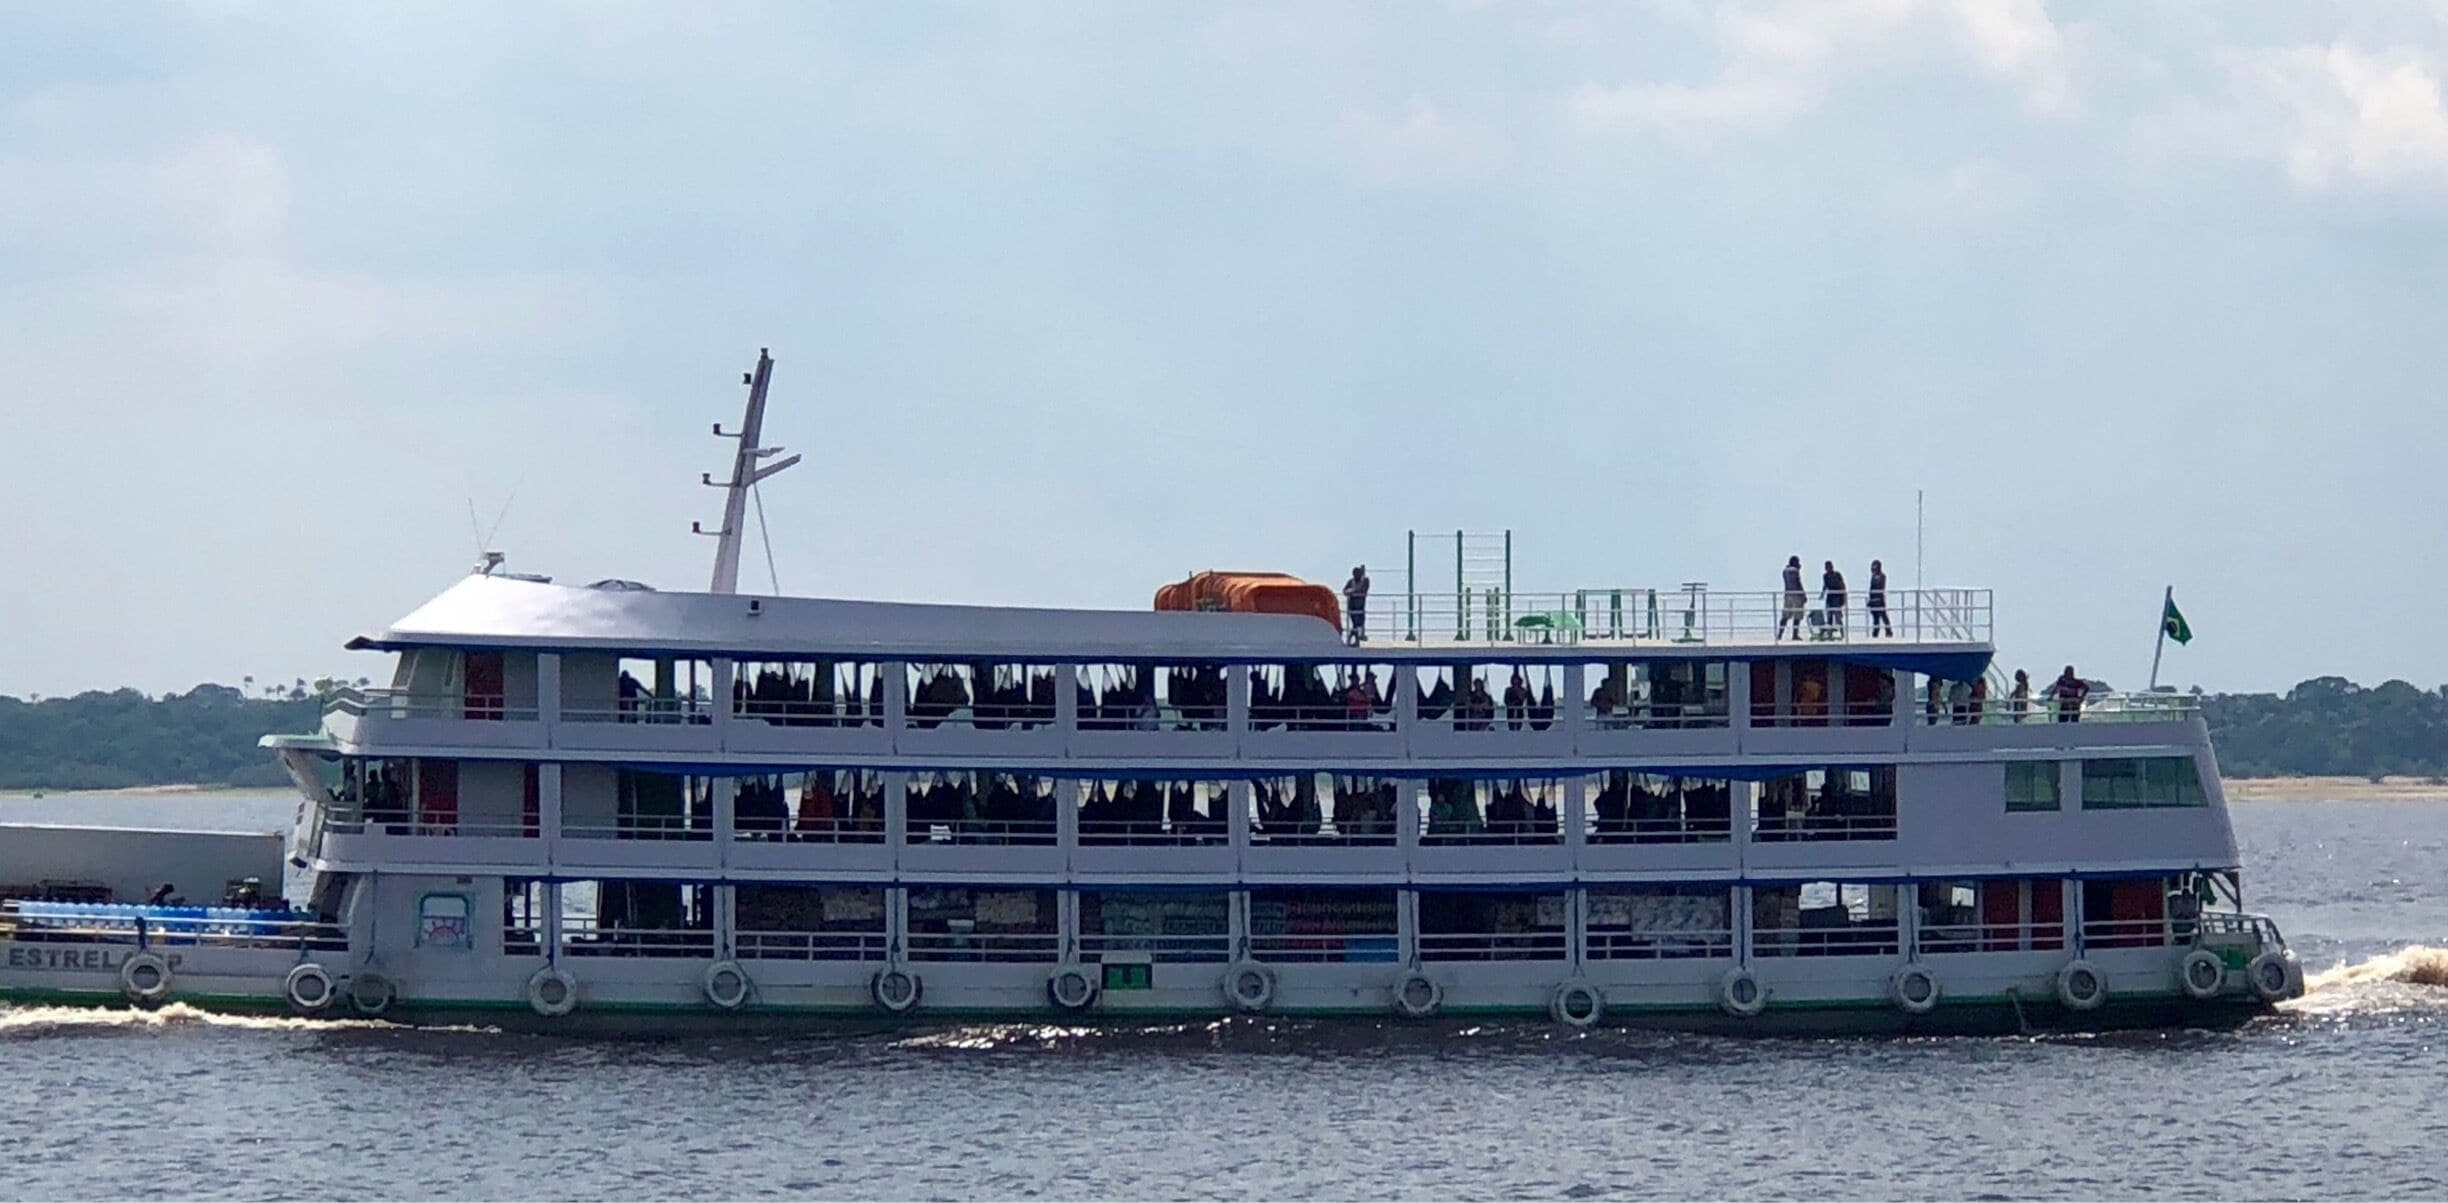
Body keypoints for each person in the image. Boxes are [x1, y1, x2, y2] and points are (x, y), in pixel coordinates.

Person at [1778, 556, 1806, 641]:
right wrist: (1803, 594)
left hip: (1787, 595)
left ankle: (1780, 634)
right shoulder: (1795, 571)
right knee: (1797, 615)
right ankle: (1795, 635)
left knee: (1785, 616)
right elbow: (1798, 582)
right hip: (1796, 595)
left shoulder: (1785, 571)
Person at [1343, 565, 1370, 646]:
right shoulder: (1350, 582)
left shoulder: (1365, 581)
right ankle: (1355, 640)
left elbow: (1363, 589)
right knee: (1355, 622)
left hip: (1360, 605)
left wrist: (1353, 591)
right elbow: (1344, 591)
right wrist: (1351, 591)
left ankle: (1352, 638)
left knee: (1359, 623)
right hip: (1352, 605)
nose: (1356, 575)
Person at [1821, 561, 1848, 638]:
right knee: (1829, 616)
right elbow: (1825, 586)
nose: (1827, 568)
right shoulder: (1825, 576)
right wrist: (1822, 594)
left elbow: (1842, 585)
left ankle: (1843, 634)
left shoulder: (1837, 574)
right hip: (1830, 597)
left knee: (1838, 617)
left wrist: (1844, 596)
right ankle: (1830, 634)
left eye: (1829, 566)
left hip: (1837, 597)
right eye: (1826, 567)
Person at [1866, 560, 1892, 637]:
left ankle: (1888, 631)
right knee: (1875, 618)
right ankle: (1875, 632)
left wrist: (1878, 598)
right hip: (1873, 600)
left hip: (1879, 600)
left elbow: (1881, 587)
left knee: (1883, 616)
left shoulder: (1882, 576)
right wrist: (1870, 600)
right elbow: (1871, 589)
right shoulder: (1873, 577)